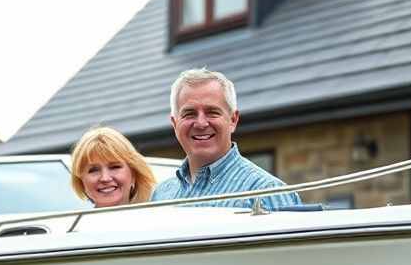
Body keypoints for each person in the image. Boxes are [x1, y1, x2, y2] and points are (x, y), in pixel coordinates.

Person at [151, 68, 301, 209]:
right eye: (189, 113)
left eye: (212, 112)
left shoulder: (267, 192)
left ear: (233, 120)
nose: (201, 123)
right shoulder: (161, 195)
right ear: (174, 123)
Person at [70, 126, 157, 208]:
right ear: (81, 181)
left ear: (134, 174)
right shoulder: (70, 223)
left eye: (114, 167)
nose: (105, 178)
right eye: (94, 170)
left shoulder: (159, 218)